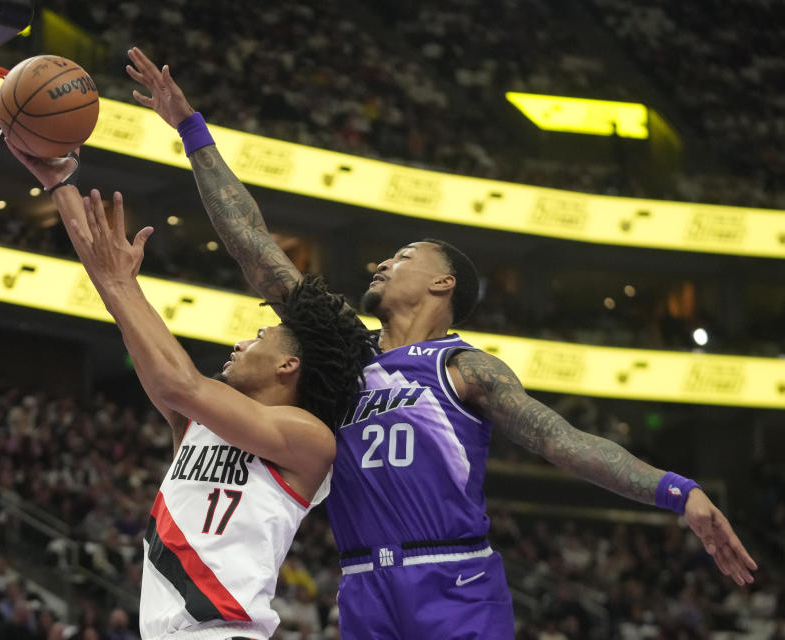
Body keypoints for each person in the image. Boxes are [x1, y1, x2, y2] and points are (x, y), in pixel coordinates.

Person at [124, 47, 759, 639]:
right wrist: (192, 132)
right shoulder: (344, 352)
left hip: (454, 579)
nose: (381, 263)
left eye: (402, 256)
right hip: (363, 584)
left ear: (443, 282)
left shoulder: (466, 368)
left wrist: (679, 492)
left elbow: (562, 442)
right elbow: (256, 249)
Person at [6, 135, 371, 640]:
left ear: (289, 365)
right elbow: (116, 294)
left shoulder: (307, 438)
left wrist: (121, 284)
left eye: (260, 335)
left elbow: (179, 382)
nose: (242, 342)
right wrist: (62, 185)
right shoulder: (202, 422)